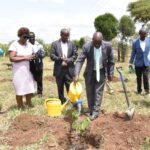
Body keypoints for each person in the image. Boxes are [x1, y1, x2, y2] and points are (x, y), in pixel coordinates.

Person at [74, 32, 115, 121]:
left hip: (101, 71)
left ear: (102, 41)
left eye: (98, 43)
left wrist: (110, 73)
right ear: (92, 40)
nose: (96, 44)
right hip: (89, 72)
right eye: (95, 42)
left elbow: (111, 61)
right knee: (89, 92)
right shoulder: (87, 46)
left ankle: (95, 112)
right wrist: (76, 74)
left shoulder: (108, 46)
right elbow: (80, 60)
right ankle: (91, 109)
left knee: (98, 92)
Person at [9, 27, 36, 109]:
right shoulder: (14, 45)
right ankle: (20, 107)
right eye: (24, 37)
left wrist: (33, 57)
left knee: (29, 88)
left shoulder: (30, 45)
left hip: (28, 70)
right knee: (19, 89)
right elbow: (12, 58)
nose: (26, 39)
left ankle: (28, 105)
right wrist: (25, 58)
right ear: (20, 36)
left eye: (27, 37)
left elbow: (33, 54)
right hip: (18, 71)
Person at [50, 28, 78, 104]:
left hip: (69, 69)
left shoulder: (72, 44)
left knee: (70, 87)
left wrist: (68, 60)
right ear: (61, 35)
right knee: (60, 87)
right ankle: (62, 101)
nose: (66, 37)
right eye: (65, 36)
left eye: (67, 36)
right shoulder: (55, 44)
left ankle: (72, 102)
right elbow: (52, 56)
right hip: (59, 69)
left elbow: (75, 55)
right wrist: (60, 59)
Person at [129, 28, 150, 96]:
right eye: (143, 35)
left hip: (146, 62)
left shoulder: (149, 40)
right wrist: (130, 62)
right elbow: (133, 53)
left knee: (146, 77)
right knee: (138, 77)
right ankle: (139, 91)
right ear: (140, 34)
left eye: (145, 35)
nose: (144, 36)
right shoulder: (135, 42)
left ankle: (147, 91)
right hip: (138, 63)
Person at [29, 32, 45, 97]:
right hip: (30, 63)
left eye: (32, 37)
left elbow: (43, 54)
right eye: (30, 37)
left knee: (39, 78)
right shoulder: (26, 45)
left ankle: (39, 92)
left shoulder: (39, 45)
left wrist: (38, 55)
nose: (31, 39)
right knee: (30, 78)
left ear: (34, 37)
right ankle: (30, 91)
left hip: (38, 63)